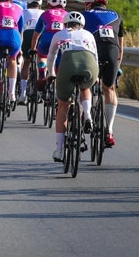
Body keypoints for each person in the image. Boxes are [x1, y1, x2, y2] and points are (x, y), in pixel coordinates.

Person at [46, 11, 99, 162]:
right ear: (82, 25)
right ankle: (87, 114)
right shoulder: (89, 34)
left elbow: (51, 57)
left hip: (68, 65)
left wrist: (50, 73)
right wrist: (96, 77)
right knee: (85, 88)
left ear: (65, 23)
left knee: (63, 106)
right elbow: (95, 56)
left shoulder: (59, 34)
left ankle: (59, 150)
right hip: (89, 65)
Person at [81, 0, 125, 147]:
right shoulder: (116, 15)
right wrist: (117, 68)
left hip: (94, 50)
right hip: (112, 51)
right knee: (109, 88)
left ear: (90, 3)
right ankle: (110, 131)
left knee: (86, 85)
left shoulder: (84, 15)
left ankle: (87, 115)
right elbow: (120, 48)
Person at [30, 0, 68, 99]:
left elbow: (36, 35)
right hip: (62, 39)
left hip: (47, 38)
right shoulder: (68, 14)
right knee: (59, 65)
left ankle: (42, 71)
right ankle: (57, 91)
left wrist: (33, 48)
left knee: (42, 56)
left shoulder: (45, 13)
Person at [18, 0, 43, 105]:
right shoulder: (43, 13)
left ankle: (23, 94)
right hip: (40, 35)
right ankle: (43, 87)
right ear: (40, 5)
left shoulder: (23, 12)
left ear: (27, 4)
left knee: (26, 63)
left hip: (27, 34)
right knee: (42, 59)